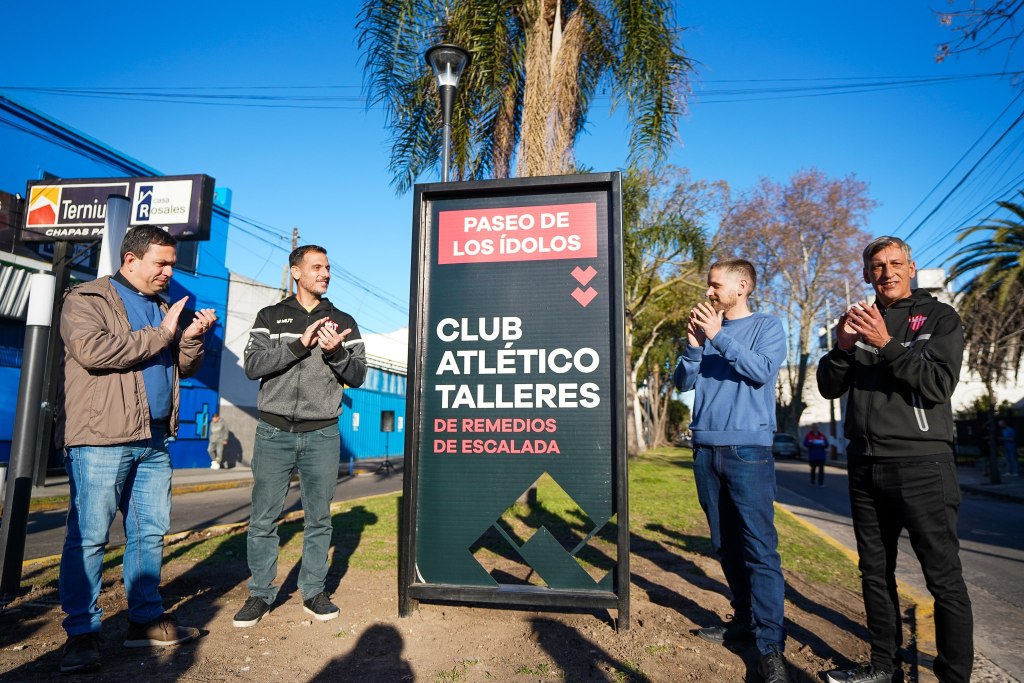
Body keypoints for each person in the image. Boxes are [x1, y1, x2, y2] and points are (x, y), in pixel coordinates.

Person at [57, 225, 217, 673]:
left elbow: (181, 366)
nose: (169, 272)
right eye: (160, 263)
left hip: (155, 438)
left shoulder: (163, 307)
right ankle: (81, 635)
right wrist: (164, 333)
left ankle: (144, 621)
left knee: (149, 533)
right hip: (101, 438)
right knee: (89, 537)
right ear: (131, 260)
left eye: (172, 264)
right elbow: (94, 351)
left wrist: (191, 337)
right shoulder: (87, 298)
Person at [817, 236, 972, 683]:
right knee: (874, 572)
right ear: (867, 273)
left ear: (911, 267)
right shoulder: (861, 318)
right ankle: (884, 666)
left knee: (943, 579)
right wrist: (843, 347)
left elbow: (937, 385)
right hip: (865, 465)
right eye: (878, 266)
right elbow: (829, 386)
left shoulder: (940, 317)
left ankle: (954, 677)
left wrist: (886, 343)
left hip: (923, 465)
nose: (887, 272)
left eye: (895, 263)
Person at [233, 244, 366, 628]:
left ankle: (313, 592)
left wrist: (336, 353)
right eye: (317, 267)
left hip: (322, 433)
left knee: (319, 519)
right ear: (296, 272)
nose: (325, 274)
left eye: (328, 268)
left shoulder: (342, 321)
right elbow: (253, 365)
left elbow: (358, 375)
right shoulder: (270, 316)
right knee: (263, 518)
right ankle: (260, 594)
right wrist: (298, 345)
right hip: (273, 432)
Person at [673, 259, 790, 683]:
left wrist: (718, 336)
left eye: (714, 285)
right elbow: (682, 383)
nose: (708, 292)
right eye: (708, 285)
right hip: (705, 450)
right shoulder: (707, 334)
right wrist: (693, 346)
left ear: (742, 286)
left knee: (759, 548)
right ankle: (743, 621)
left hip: (748, 451)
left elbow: (761, 371)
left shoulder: (767, 326)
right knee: (725, 545)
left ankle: (770, 646)